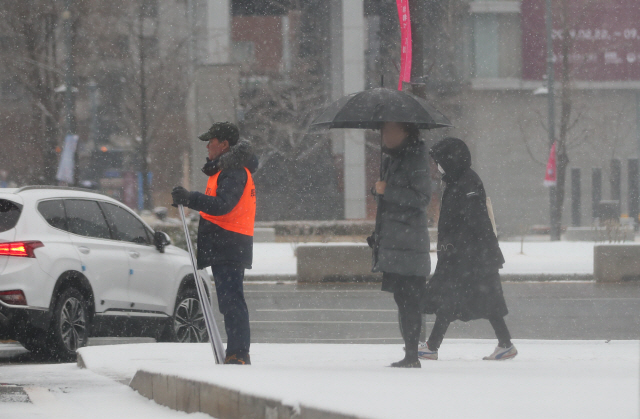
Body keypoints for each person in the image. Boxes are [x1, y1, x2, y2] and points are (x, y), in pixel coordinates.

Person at [421, 137, 517, 361]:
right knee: (481, 300)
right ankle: (505, 344)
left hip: (469, 256)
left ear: (450, 159)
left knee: (451, 299)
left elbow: (476, 220)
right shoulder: (457, 181)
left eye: (439, 160)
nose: (436, 165)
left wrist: (464, 249)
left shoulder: (466, 183)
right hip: (467, 255)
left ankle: (432, 347)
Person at [172, 122, 258, 365]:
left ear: (224, 145)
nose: (207, 146)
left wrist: (191, 199)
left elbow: (222, 205)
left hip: (230, 242)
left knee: (232, 301)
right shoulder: (224, 170)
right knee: (229, 300)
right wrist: (191, 199)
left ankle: (238, 353)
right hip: (226, 242)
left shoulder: (234, 172)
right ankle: (237, 352)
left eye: (211, 141)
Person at [368, 121, 431, 368]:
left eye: (390, 131)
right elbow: (387, 197)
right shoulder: (392, 159)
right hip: (394, 242)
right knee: (402, 299)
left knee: (410, 300)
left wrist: (388, 190)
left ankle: (413, 355)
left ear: (405, 132)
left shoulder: (415, 159)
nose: (385, 135)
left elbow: (421, 198)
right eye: (382, 130)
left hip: (409, 242)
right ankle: (410, 353)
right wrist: (378, 190)